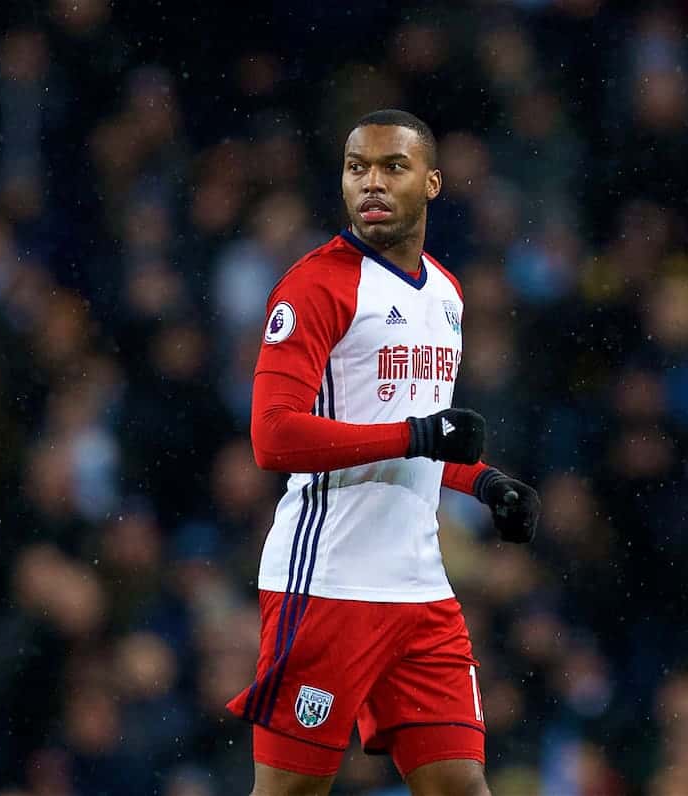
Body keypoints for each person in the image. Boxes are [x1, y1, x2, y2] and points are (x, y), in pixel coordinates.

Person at [226, 109, 542, 796]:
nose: (370, 183)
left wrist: (485, 482)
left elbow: (421, 435)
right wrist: (417, 437)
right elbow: (273, 436)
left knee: (462, 788)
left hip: (421, 588)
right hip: (327, 583)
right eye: (355, 167)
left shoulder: (448, 295)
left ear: (431, 183)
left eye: (391, 167)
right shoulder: (316, 285)